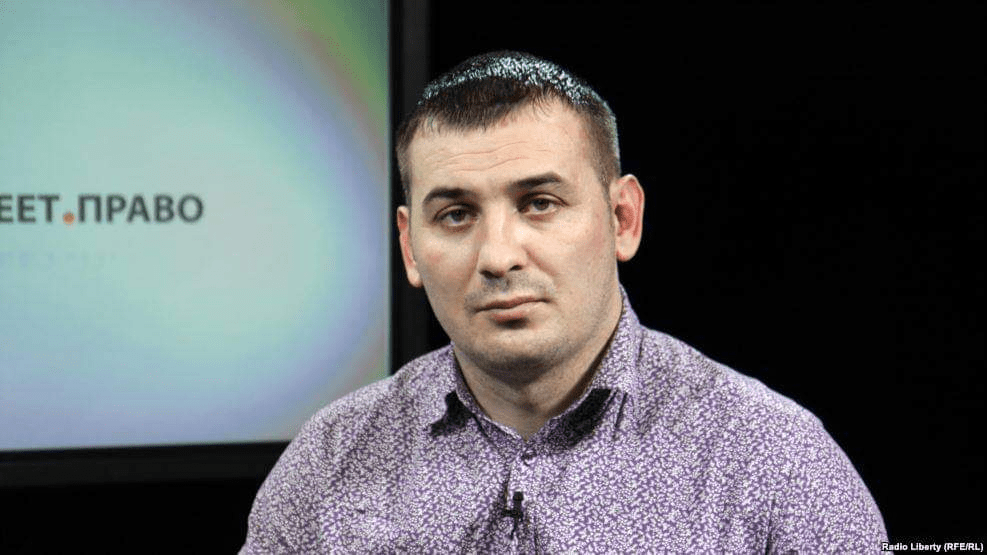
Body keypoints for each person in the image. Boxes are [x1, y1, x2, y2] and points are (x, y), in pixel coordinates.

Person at [242, 51, 886, 553]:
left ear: (623, 218)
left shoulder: (771, 459)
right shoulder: (328, 463)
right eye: (457, 214)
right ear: (410, 247)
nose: (498, 256)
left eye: (539, 203)